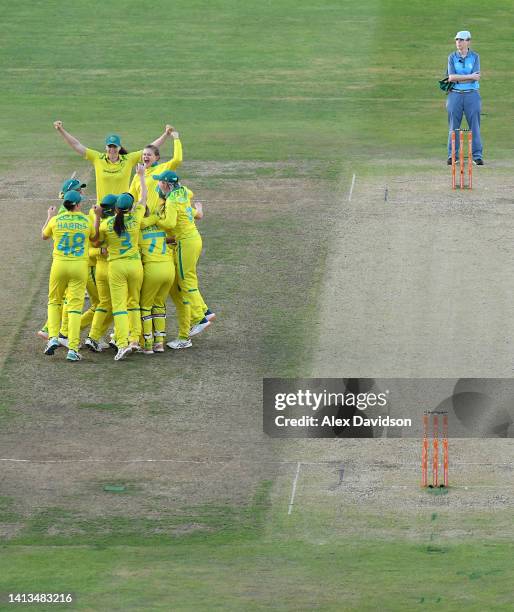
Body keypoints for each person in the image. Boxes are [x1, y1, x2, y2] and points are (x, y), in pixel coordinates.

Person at [93, 165, 159, 361]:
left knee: (120, 307)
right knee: (134, 304)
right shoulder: (137, 215)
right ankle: (134, 340)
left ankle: (122, 343)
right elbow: (144, 198)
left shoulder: (108, 223)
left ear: (115, 208)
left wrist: (97, 217)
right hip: (135, 266)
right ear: (130, 207)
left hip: (117, 267)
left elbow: (95, 241)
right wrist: (140, 176)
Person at [151, 170, 214, 350]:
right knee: (190, 279)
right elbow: (192, 207)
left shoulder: (171, 200)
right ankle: (204, 312)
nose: (157, 185)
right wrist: (199, 209)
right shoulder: (183, 193)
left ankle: (199, 318)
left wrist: (156, 220)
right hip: (194, 239)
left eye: (159, 182)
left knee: (185, 282)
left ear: (165, 184)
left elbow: (170, 224)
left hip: (184, 242)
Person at [52, 121, 176, 202]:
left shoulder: (128, 159)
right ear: (106, 147)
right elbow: (76, 145)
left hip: (122, 208)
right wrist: (61, 130)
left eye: (114, 146)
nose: (112, 149)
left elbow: (150, 149)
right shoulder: (97, 158)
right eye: (110, 146)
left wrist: (165, 134)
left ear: (119, 147)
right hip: (103, 208)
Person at [42, 190, 96, 362]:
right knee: (74, 308)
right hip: (79, 267)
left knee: (54, 302)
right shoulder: (87, 220)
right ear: (78, 205)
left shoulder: (57, 220)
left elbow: (44, 235)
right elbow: (95, 239)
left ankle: (52, 338)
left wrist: (50, 216)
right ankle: (72, 348)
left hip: (59, 266)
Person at [446, 30, 483, 165]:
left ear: (468, 41)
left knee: (475, 126)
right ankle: (452, 155)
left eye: (461, 40)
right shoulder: (451, 57)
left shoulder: (475, 57)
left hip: (472, 95)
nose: (459, 43)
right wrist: (469, 77)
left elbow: (476, 77)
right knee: (453, 126)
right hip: (454, 95)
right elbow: (451, 78)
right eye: (457, 40)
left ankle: (477, 156)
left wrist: (460, 78)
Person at [129, 128, 183, 214]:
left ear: (156, 157)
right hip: (142, 216)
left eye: (149, 155)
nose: (145, 157)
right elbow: (131, 197)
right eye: (144, 155)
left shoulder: (163, 168)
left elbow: (177, 159)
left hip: (157, 217)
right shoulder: (138, 175)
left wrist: (176, 139)